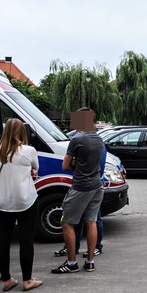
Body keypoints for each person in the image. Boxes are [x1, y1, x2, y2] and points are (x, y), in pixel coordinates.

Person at [0, 118, 43, 291]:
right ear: (22, 132)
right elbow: (36, 168)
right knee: (26, 239)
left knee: (3, 239)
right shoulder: (29, 151)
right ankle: (27, 280)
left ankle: (6, 280)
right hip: (25, 199)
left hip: (1, 200)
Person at [52, 108, 104, 274]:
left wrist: (75, 163)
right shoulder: (99, 139)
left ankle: (72, 263)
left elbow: (65, 165)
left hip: (81, 186)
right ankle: (90, 261)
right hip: (97, 186)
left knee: (66, 222)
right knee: (91, 221)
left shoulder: (77, 139)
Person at [54, 147, 108, 256]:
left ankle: (96, 247)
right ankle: (75, 248)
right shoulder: (85, 142)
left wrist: (77, 166)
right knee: (83, 219)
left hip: (90, 186)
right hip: (86, 185)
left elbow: (99, 169)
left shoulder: (98, 145)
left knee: (94, 218)